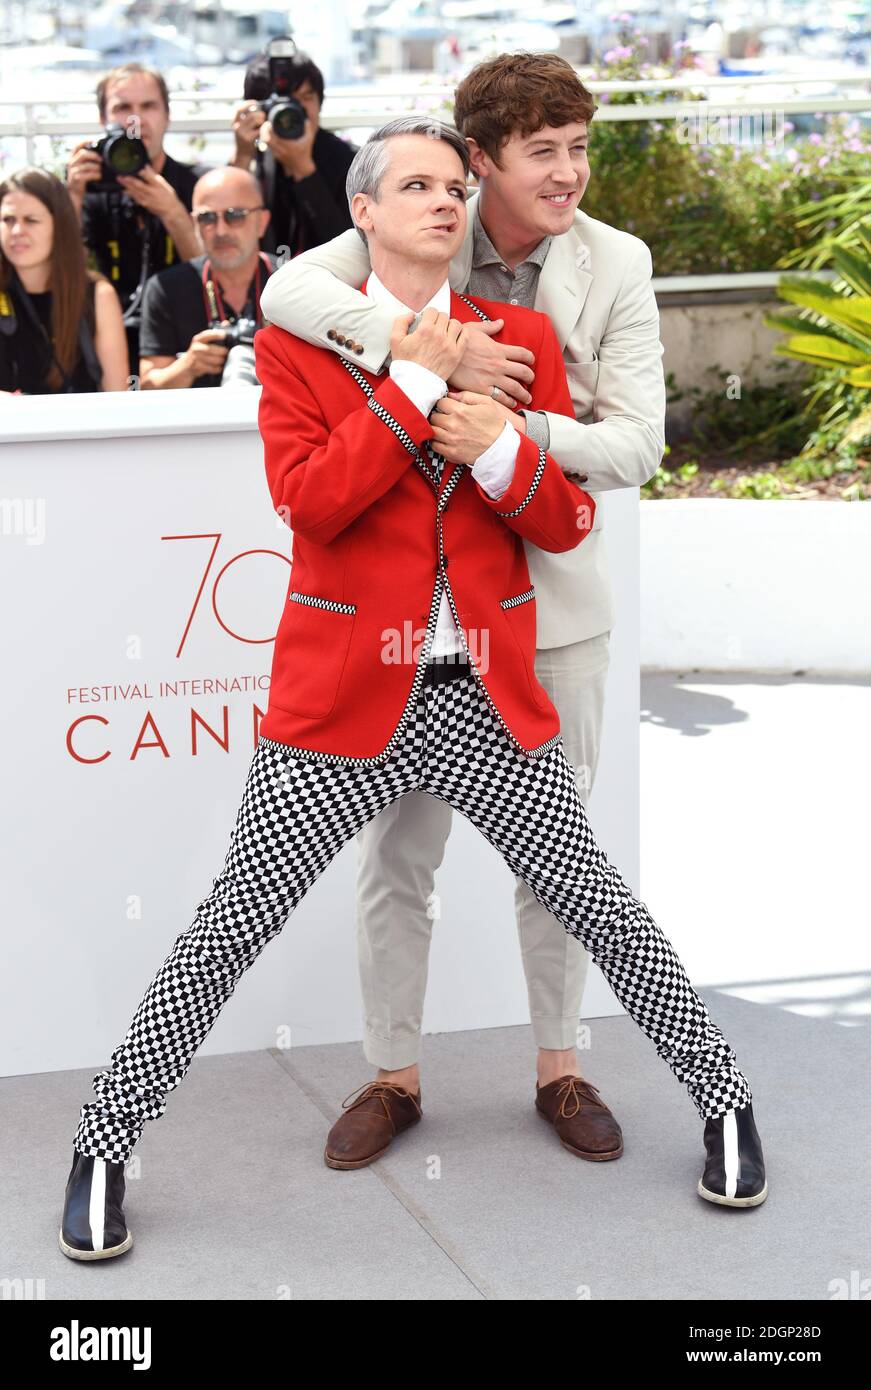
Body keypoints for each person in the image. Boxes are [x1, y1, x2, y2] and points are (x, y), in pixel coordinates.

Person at [59, 119, 766, 1262]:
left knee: (601, 904)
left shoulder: (520, 332)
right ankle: (103, 1145)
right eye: (419, 186)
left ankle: (725, 1103)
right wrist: (416, 380)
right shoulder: (300, 343)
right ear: (365, 214)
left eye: (455, 185)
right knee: (226, 930)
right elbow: (313, 502)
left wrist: (500, 446)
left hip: (487, 697)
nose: (447, 201)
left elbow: (568, 516)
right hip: (338, 705)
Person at [259, 53, 666, 1162]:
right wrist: (424, 353)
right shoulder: (405, 216)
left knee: (563, 861)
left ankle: (562, 1068)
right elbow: (285, 296)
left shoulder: (613, 263)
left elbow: (637, 443)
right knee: (398, 863)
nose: (570, 174)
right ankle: (393, 1075)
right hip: (403, 621)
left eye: (580, 149)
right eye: (542, 153)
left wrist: (506, 429)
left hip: (554, 596)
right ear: (478, 162)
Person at [65, 63, 207, 366]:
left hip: (181, 340)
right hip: (104, 338)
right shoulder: (90, 188)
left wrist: (173, 212)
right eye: (123, 108)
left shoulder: (196, 186)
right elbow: (62, 274)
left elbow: (214, 279)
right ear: (103, 120)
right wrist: (72, 198)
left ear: (167, 116)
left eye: (148, 106)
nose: (136, 119)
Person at [138, 167, 274, 389]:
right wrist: (188, 366)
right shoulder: (166, 289)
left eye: (235, 215)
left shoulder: (295, 280)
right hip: (197, 422)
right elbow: (147, 387)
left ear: (262, 222)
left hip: (286, 420)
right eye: (207, 218)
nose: (220, 231)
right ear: (195, 224)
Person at [0, 168, 128, 394]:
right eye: (8, 219)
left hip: (83, 428)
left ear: (60, 226)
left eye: (31, 220)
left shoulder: (97, 296)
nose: (17, 230)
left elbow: (117, 399)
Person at [231, 45, 356, 257]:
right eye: (280, 104)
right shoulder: (254, 155)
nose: (292, 112)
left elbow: (351, 250)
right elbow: (226, 229)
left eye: (305, 97)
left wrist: (304, 170)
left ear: (319, 101)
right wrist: (242, 156)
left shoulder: (352, 162)